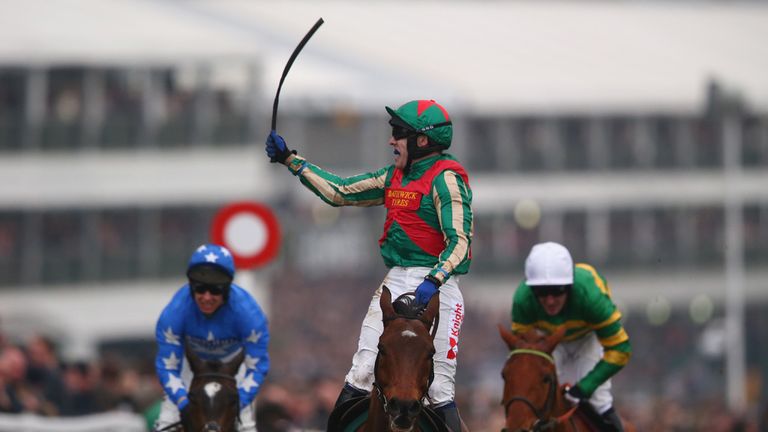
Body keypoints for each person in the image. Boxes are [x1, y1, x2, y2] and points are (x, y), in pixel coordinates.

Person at [266, 99, 472, 431]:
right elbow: (339, 193)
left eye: (399, 134)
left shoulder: (445, 180)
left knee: (439, 387)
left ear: (422, 141)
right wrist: (292, 160)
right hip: (396, 280)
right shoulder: (393, 177)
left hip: (440, 287)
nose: (391, 141)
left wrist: (433, 280)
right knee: (361, 372)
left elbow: (460, 241)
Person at [510, 241, 631, 432]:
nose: (550, 300)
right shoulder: (522, 300)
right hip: (549, 343)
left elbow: (620, 349)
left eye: (558, 290)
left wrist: (585, 387)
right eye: (541, 292)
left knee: (599, 401)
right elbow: (524, 353)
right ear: (531, 289)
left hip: (587, 341)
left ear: (570, 285)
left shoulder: (591, 296)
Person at [153, 243, 270, 432]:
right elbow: (167, 366)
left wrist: (239, 402)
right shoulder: (174, 313)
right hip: (189, 367)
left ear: (227, 288)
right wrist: (183, 402)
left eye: (215, 290)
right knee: (166, 425)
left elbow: (257, 366)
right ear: (191, 287)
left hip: (233, 367)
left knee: (246, 426)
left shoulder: (250, 315)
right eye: (200, 289)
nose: (206, 297)